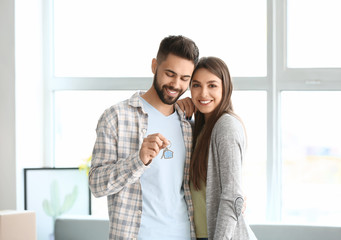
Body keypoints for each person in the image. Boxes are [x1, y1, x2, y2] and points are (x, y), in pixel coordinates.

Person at [89, 35, 199, 240]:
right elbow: (96, 185)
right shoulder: (116, 117)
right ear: (154, 65)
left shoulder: (188, 124)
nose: (176, 84)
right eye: (170, 74)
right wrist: (137, 160)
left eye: (185, 79)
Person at [178, 57, 257, 240]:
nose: (203, 93)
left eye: (212, 85)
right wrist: (178, 111)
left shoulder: (226, 126)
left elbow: (232, 195)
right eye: (196, 85)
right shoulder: (200, 127)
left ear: (225, 87)